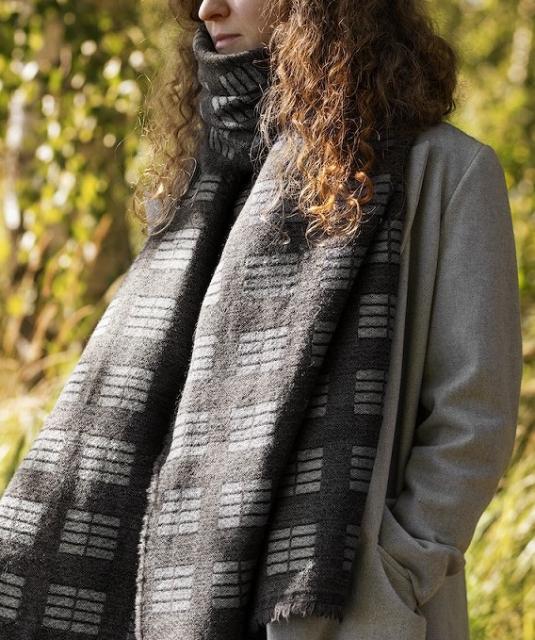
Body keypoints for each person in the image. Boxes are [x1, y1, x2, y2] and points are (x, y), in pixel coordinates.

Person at [0, 1, 522, 640]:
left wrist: (396, 571)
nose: (207, 8)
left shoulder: (445, 171)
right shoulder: (193, 185)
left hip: (332, 606)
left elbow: (473, 418)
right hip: (157, 602)